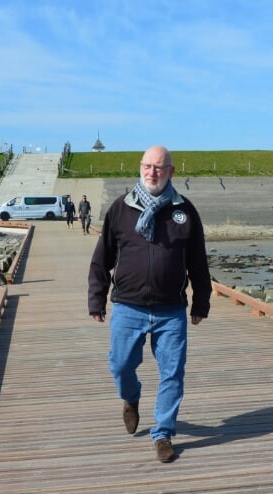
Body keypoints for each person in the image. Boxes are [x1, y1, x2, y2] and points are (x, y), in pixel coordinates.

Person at [87, 145, 212, 463]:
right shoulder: (121, 209)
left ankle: (163, 434)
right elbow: (102, 258)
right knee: (120, 364)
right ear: (140, 168)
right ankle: (130, 397)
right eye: (147, 166)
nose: (152, 172)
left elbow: (198, 261)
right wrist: (96, 298)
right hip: (128, 307)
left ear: (171, 171)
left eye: (159, 167)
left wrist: (201, 303)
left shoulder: (184, 211)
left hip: (171, 310)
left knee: (172, 372)